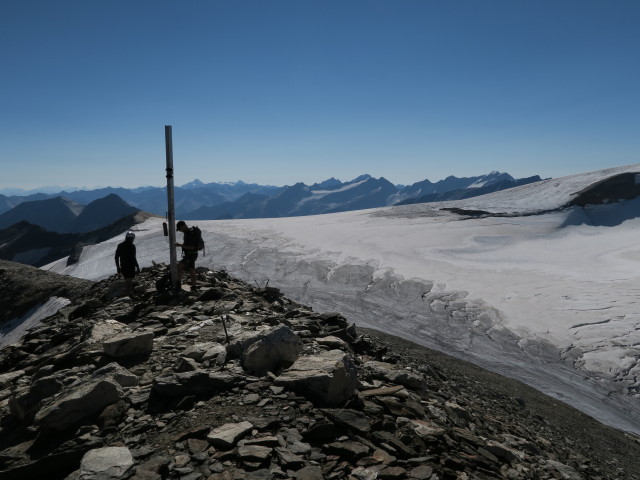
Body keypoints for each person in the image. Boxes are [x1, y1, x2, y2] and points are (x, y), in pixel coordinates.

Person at [115, 231, 140, 296]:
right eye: (132, 238)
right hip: (131, 266)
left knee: (128, 279)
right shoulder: (132, 246)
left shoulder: (120, 245)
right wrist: (137, 266)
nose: (132, 240)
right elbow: (133, 257)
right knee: (129, 280)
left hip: (124, 266)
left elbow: (116, 257)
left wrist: (118, 267)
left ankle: (128, 293)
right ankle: (128, 294)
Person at [175, 220, 198, 290]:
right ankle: (194, 287)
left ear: (183, 226)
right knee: (191, 270)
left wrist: (180, 245)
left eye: (179, 229)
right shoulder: (188, 233)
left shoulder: (189, 234)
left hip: (190, 255)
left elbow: (192, 247)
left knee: (179, 265)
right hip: (192, 254)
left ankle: (178, 284)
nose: (180, 230)